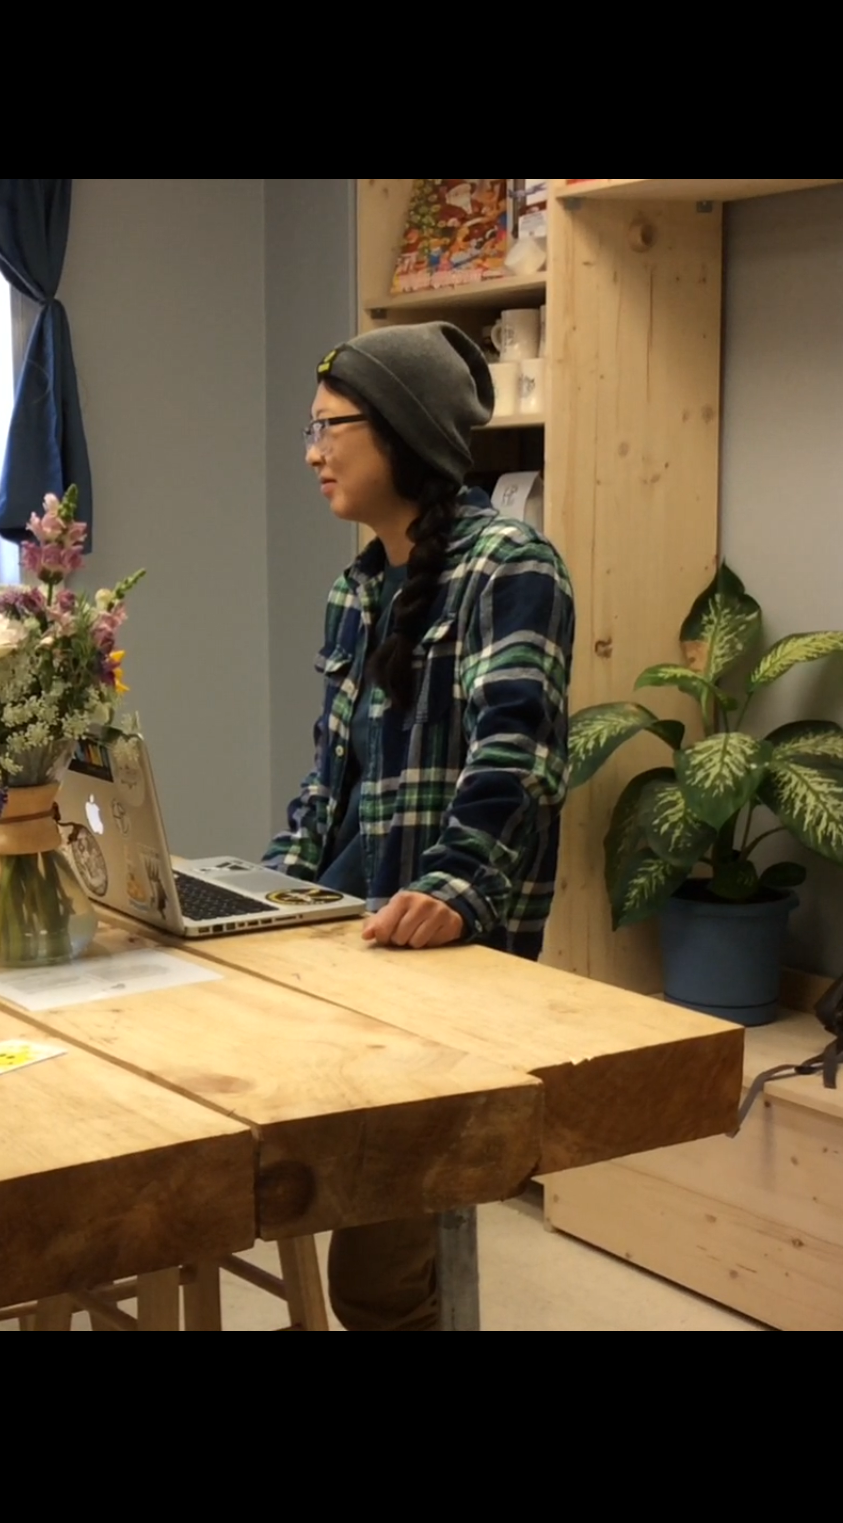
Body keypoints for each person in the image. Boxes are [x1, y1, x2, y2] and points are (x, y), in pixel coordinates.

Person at [262, 322, 576, 1331]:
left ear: (398, 432)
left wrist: (448, 886)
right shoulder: (353, 589)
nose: (311, 452)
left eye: (328, 428)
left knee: (377, 1280)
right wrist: (260, 884)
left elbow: (515, 751)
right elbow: (326, 786)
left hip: (436, 960)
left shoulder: (509, 567)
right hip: (341, 944)